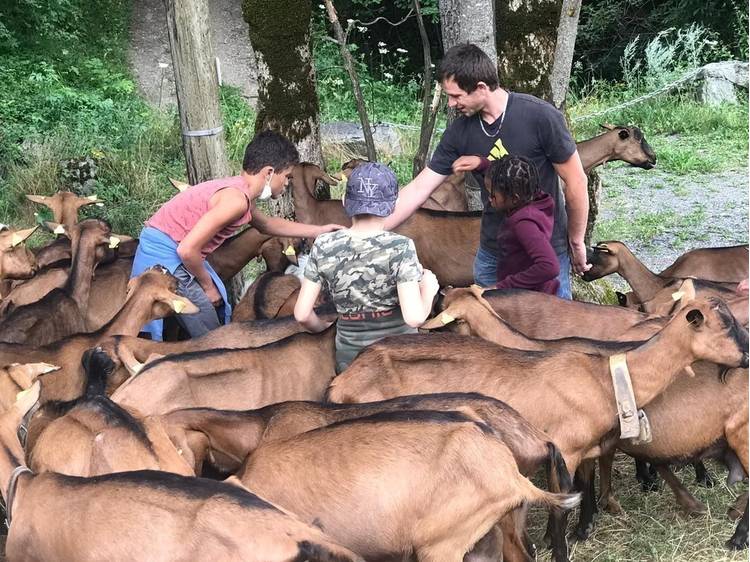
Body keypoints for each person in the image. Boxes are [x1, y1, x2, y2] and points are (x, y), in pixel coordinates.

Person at [384, 43, 590, 298]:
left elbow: (576, 181)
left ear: (481, 87)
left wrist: (576, 241)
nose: (450, 104)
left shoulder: (540, 117)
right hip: (493, 254)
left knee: (551, 332)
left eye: (456, 96)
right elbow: (419, 188)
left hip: (546, 252)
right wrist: (370, 228)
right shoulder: (459, 132)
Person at [131, 130, 341, 341]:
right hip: (166, 259)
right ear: (269, 173)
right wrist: (207, 286)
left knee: (218, 311)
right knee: (214, 339)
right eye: (286, 177)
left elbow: (267, 224)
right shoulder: (236, 201)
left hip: (173, 252)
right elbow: (186, 250)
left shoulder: (240, 193)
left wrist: (319, 230)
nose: (287, 184)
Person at [294, 162, 439, 373]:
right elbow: (414, 317)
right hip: (399, 360)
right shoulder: (400, 247)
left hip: (349, 361)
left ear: (345, 201)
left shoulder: (323, 245)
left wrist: (326, 329)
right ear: (393, 205)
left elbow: (302, 314)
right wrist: (428, 289)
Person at [483, 154, 559, 294]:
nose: (489, 200)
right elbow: (509, 177)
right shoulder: (536, 199)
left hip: (528, 299)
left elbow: (550, 266)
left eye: (493, 195)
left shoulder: (523, 224)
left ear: (514, 198)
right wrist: (482, 164)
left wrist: (502, 286)